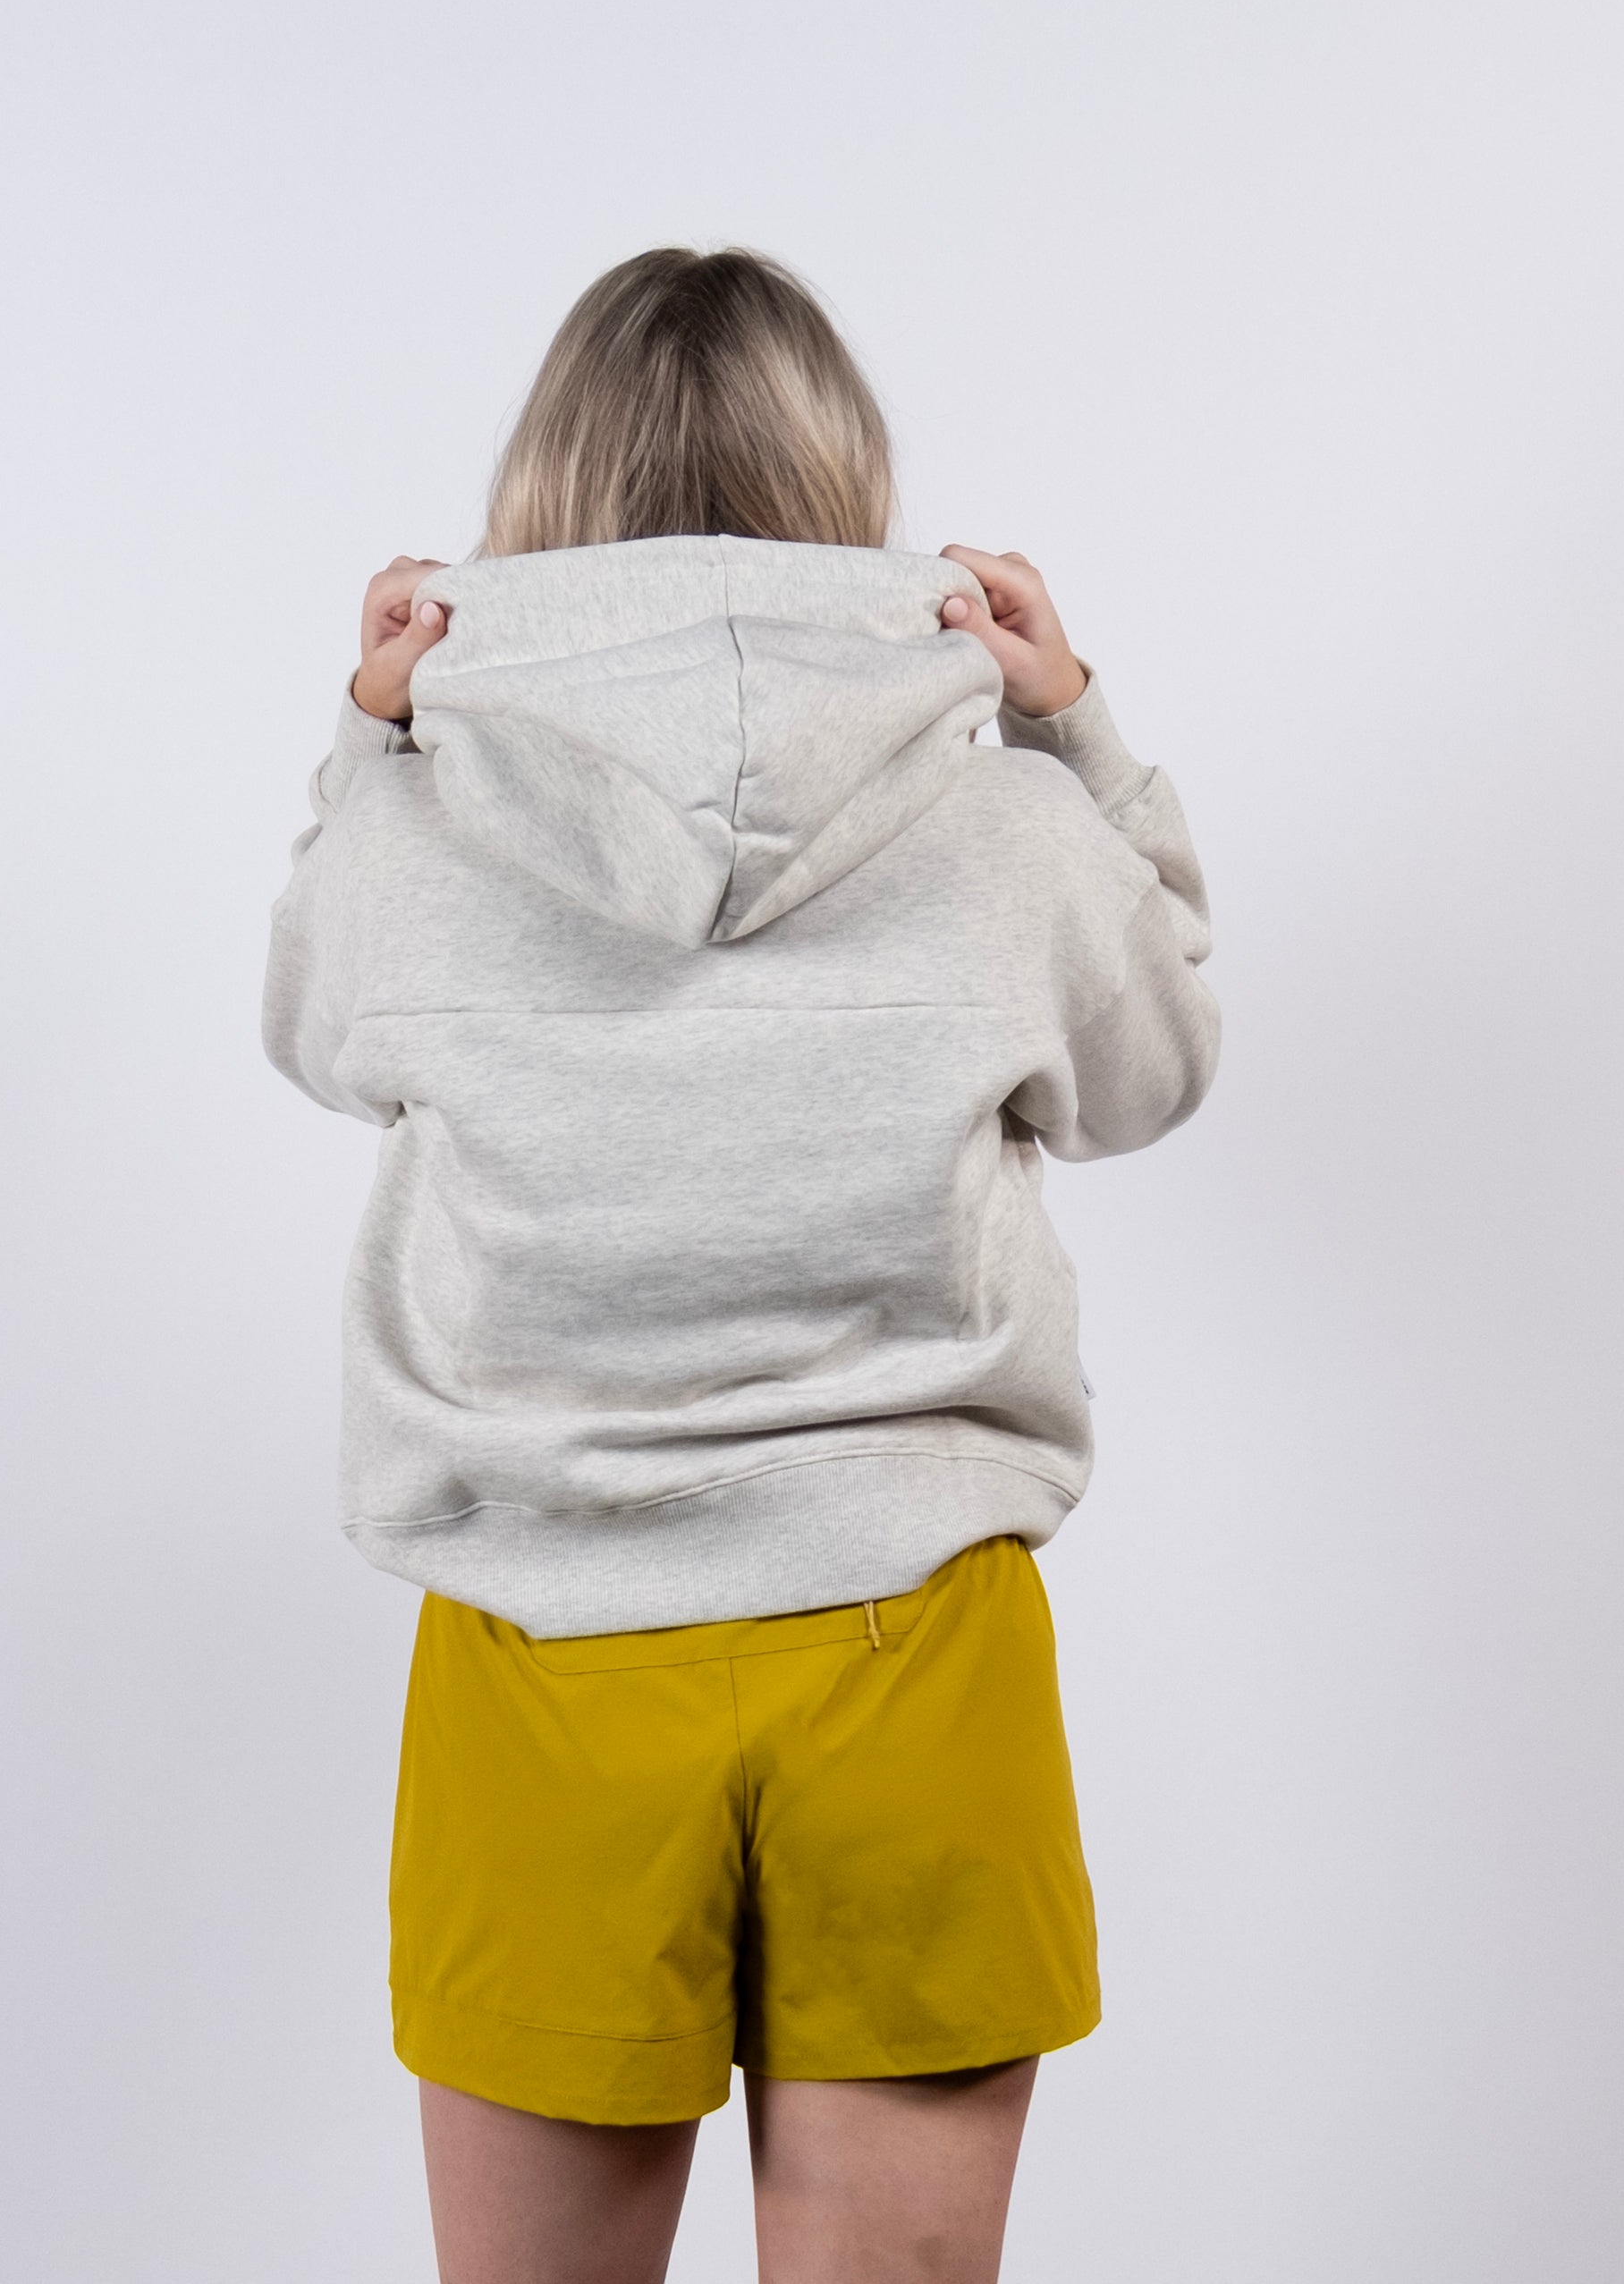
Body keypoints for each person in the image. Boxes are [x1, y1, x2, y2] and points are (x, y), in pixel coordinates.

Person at [263, 245, 1219, 2283]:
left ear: (540, 498)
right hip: (916, 1631)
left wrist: (374, 747)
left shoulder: (413, 845)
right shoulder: (1009, 838)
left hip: (545, 1633)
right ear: (841, 482)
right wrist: (1079, 742)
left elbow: (308, 1031)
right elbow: (1156, 1067)